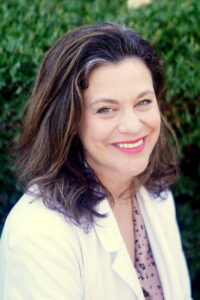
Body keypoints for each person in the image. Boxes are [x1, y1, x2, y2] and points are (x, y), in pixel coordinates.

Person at [0, 23, 192, 300]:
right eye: (106, 109)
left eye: (143, 102)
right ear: (69, 120)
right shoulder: (39, 233)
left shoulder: (155, 194)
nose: (132, 125)